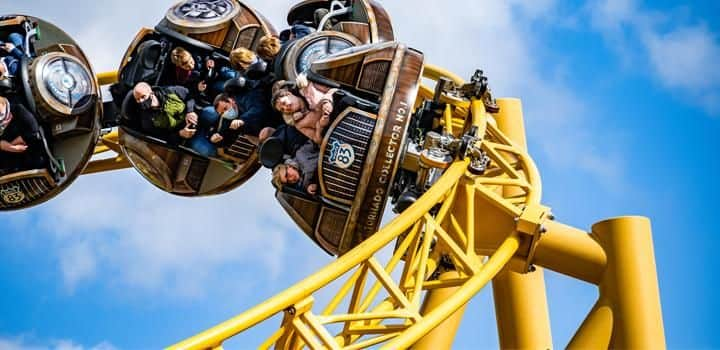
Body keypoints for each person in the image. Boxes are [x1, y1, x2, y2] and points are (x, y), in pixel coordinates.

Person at [271, 76, 337, 144]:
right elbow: (317, 140)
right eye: (282, 110)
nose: (285, 108)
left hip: (341, 106)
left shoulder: (309, 86)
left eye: (284, 103)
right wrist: (319, 127)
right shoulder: (299, 124)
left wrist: (327, 101)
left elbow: (334, 89)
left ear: (288, 94)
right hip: (337, 132)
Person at [132, 82, 197, 143]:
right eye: (137, 99)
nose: (141, 101)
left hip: (197, 117)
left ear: (151, 93)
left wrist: (190, 111)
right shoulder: (146, 120)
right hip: (186, 137)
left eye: (143, 96)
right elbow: (162, 138)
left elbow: (189, 94)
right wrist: (180, 134)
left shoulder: (169, 91)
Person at [0, 96, 46, 173]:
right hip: (7, 158)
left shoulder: (18, 109)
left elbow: (33, 129)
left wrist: (11, 145)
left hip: (29, 150)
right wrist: (6, 146)